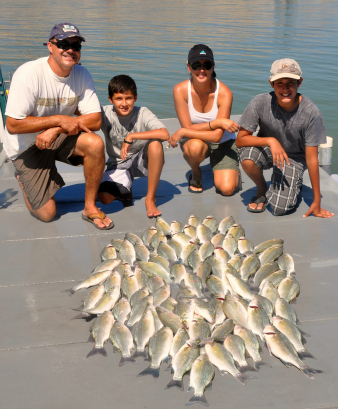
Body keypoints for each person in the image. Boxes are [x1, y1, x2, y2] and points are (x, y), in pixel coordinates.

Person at [3, 23, 114, 230]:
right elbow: (13, 124)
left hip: (57, 137)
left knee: (94, 143)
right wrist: (59, 120)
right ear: (50, 46)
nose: (71, 50)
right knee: (48, 214)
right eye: (63, 44)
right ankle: (23, 178)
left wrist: (57, 128)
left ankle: (89, 207)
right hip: (25, 146)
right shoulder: (29, 73)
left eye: (76, 46)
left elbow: (95, 120)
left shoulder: (82, 74)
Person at [236, 58, 334, 218]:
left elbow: (311, 158)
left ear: (299, 82)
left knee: (279, 209)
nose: (285, 88)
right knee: (247, 156)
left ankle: (293, 180)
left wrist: (317, 201)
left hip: (294, 158)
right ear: (271, 84)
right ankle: (261, 188)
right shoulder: (259, 102)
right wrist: (270, 140)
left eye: (291, 82)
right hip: (268, 150)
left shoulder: (311, 113)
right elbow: (240, 140)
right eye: (279, 83)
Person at [169, 44, 240, 195]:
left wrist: (184, 131)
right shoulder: (180, 90)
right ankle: (196, 171)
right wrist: (216, 123)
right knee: (194, 147)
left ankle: (230, 171)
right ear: (189, 67)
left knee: (227, 189)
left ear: (213, 67)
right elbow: (187, 128)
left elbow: (217, 136)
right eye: (196, 65)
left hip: (223, 142)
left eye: (206, 65)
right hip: (196, 141)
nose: (201, 70)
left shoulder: (225, 93)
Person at [97, 74, 169, 218]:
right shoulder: (104, 113)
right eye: (118, 99)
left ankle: (150, 199)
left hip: (141, 159)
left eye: (128, 98)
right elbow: (79, 107)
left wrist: (131, 136)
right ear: (110, 99)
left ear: (135, 97)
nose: (124, 103)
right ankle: (126, 186)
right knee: (104, 198)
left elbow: (165, 134)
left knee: (155, 145)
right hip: (119, 163)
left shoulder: (143, 112)